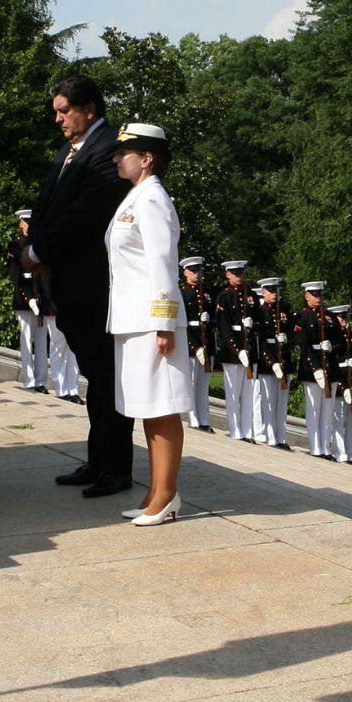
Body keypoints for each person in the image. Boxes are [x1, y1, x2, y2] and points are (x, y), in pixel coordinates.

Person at [29, 75, 132, 499]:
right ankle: (98, 460)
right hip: (70, 283)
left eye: (63, 110)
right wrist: (31, 245)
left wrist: (38, 253)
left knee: (107, 378)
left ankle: (117, 468)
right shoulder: (73, 151)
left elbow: (85, 214)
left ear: (89, 108)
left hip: (93, 286)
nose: (58, 119)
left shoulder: (105, 149)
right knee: (94, 376)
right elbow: (48, 205)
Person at [104, 124, 192, 525]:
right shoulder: (135, 198)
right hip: (131, 319)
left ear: (147, 158)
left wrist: (164, 323)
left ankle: (167, 494)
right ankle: (155, 491)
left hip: (151, 320)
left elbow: (161, 263)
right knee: (147, 408)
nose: (117, 158)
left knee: (164, 408)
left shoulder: (152, 198)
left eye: (125, 152)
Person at [292, 282, 337, 459]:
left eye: (319, 295)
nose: (317, 298)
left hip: (330, 367)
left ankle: (326, 447)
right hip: (311, 369)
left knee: (328, 410)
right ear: (306, 296)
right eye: (313, 294)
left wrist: (333, 345)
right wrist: (315, 367)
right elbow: (303, 343)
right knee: (314, 409)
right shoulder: (302, 316)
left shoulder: (330, 317)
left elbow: (340, 340)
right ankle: (316, 447)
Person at [213, 261, 256, 442]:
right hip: (233, 352)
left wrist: (253, 325)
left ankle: (247, 430)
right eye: (235, 273)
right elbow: (223, 326)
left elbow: (261, 322)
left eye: (241, 273)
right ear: (228, 275)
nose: (239, 276)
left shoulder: (251, 295)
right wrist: (237, 350)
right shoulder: (224, 296)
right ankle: (235, 429)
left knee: (248, 395)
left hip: (250, 347)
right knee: (233, 393)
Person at [7, 210, 49, 391]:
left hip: (41, 300)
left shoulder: (39, 244)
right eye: (26, 222)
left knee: (41, 341)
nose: (29, 225)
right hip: (24, 301)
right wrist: (29, 299)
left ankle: (41, 380)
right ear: (20, 224)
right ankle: (29, 378)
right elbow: (15, 276)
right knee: (26, 338)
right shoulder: (15, 246)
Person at [255, 277, 295, 448]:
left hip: (283, 358)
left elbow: (294, 334)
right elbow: (259, 340)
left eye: (276, 291)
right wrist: (271, 362)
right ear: (263, 293)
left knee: (281, 401)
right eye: (270, 291)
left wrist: (288, 339)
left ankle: (280, 436)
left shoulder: (284, 310)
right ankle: (270, 434)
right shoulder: (260, 311)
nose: (274, 294)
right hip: (267, 360)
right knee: (268, 400)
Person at [179, 257, 215, 432]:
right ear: (185, 272)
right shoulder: (182, 293)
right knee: (191, 382)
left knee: (203, 384)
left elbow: (216, 319)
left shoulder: (207, 292)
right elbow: (182, 322)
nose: (196, 274)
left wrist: (209, 319)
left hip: (206, 341)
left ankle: (205, 418)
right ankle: (193, 417)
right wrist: (194, 346)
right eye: (193, 271)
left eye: (198, 271)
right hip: (191, 341)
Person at [328, 303, 352, 464]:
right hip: (339, 384)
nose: (344, 320)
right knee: (338, 420)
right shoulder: (331, 337)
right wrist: (343, 365)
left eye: (346, 317)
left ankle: (351, 454)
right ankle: (340, 453)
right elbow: (330, 360)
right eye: (341, 317)